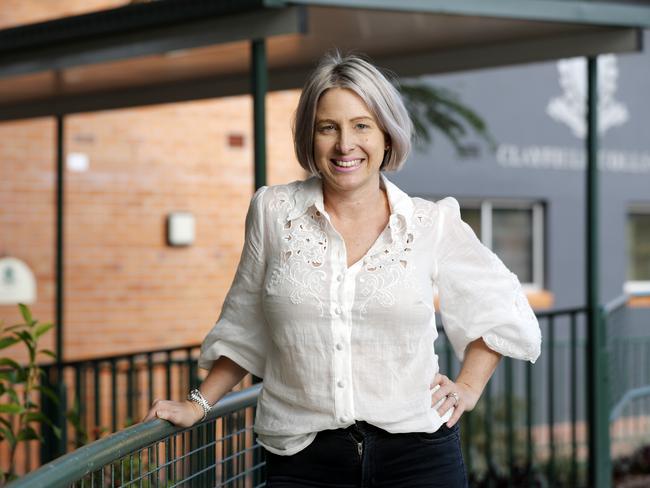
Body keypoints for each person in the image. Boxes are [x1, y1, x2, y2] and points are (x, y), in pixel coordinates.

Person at [143, 52, 542, 487]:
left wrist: (467, 388)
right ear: (310, 138)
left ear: (387, 136)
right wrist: (198, 404)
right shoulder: (273, 212)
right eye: (328, 127)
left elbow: (501, 303)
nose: (345, 145)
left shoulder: (431, 223)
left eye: (361, 126)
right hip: (303, 463)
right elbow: (245, 323)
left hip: (418, 459)